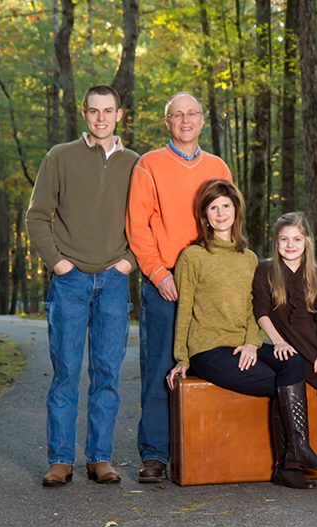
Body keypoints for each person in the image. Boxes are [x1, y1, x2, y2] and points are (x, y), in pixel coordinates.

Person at [166, 180, 317, 489]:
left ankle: (291, 460)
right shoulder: (192, 256)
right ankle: (294, 458)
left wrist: (251, 343)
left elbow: (252, 309)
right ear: (204, 216)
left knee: (292, 363)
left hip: (242, 345)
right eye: (213, 208)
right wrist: (181, 359)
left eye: (226, 206)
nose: (220, 213)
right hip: (209, 351)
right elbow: (185, 309)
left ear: (236, 211)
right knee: (285, 385)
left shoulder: (249, 259)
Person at [26, 85, 138, 487]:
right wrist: (58, 264)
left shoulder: (134, 163)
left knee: (107, 373)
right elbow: (37, 216)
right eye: (94, 111)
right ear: (84, 114)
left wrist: (131, 262)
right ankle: (60, 459)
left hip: (113, 280)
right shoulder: (60, 157)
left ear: (120, 115)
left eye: (108, 111)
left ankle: (99, 458)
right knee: (66, 373)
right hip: (70, 282)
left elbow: (146, 222)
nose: (101, 118)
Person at [126, 92, 232, 483]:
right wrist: (157, 273)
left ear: (202, 121)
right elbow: (137, 226)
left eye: (192, 114)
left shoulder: (217, 165)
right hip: (166, 279)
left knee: (211, 361)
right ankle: (154, 453)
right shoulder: (149, 165)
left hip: (209, 278)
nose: (185, 120)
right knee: (161, 366)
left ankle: (204, 444)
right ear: (167, 122)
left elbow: (226, 221)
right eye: (177, 115)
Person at [252, 213, 317, 479]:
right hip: (290, 350)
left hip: (315, 347)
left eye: (297, 239)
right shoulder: (266, 270)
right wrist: (277, 341)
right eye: (284, 239)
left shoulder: (316, 274)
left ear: (307, 241)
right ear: (276, 241)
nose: (290, 245)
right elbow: (261, 312)